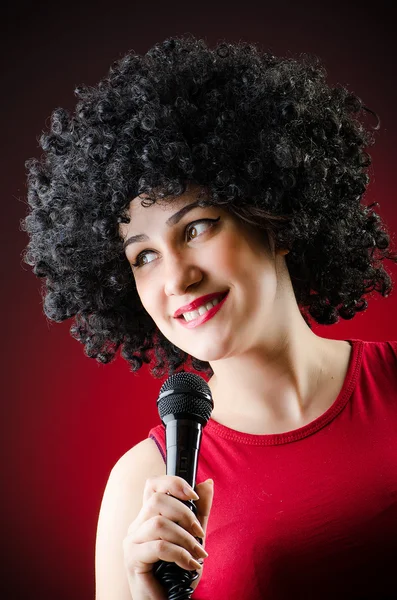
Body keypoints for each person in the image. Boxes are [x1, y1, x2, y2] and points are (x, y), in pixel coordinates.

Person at [22, 35, 397, 599]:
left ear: (272, 215)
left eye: (195, 227)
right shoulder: (142, 487)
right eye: (143, 256)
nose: (175, 278)